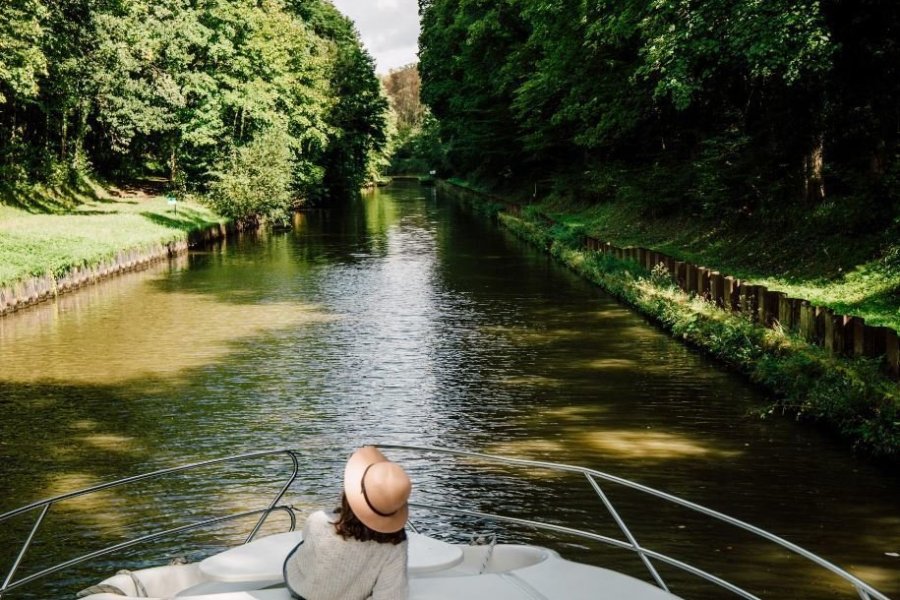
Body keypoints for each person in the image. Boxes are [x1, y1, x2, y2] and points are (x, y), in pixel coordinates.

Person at [284, 446, 412, 600]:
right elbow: (391, 596)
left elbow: (306, 557)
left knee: (300, 547)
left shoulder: (317, 520)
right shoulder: (395, 546)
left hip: (302, 591)